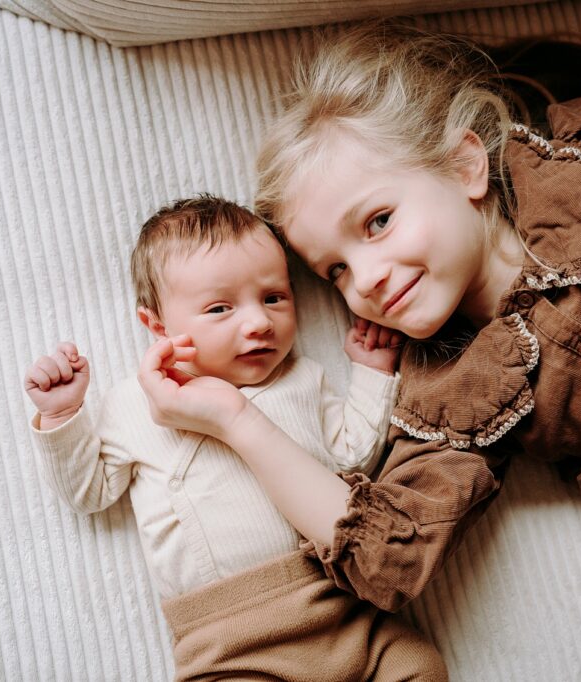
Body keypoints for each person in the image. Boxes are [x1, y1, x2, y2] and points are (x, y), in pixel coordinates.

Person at [137, 21, 581, 639]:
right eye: (335, 272)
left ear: (464, 166)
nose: (369, 279)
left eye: (378, 222)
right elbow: (384, 560)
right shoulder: (455, 392)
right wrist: (234, 419)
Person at [24, 195, 448, 681]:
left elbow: (355, 456)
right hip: (230, 642)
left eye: (274, 297)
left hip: (345, 610)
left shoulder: (303, 380)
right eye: (220, 308)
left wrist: (370, 374)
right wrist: (63, 416)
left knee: (419, 666)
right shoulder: (134, 406)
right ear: (157, 325)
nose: (258, 322)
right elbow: (89, 492)